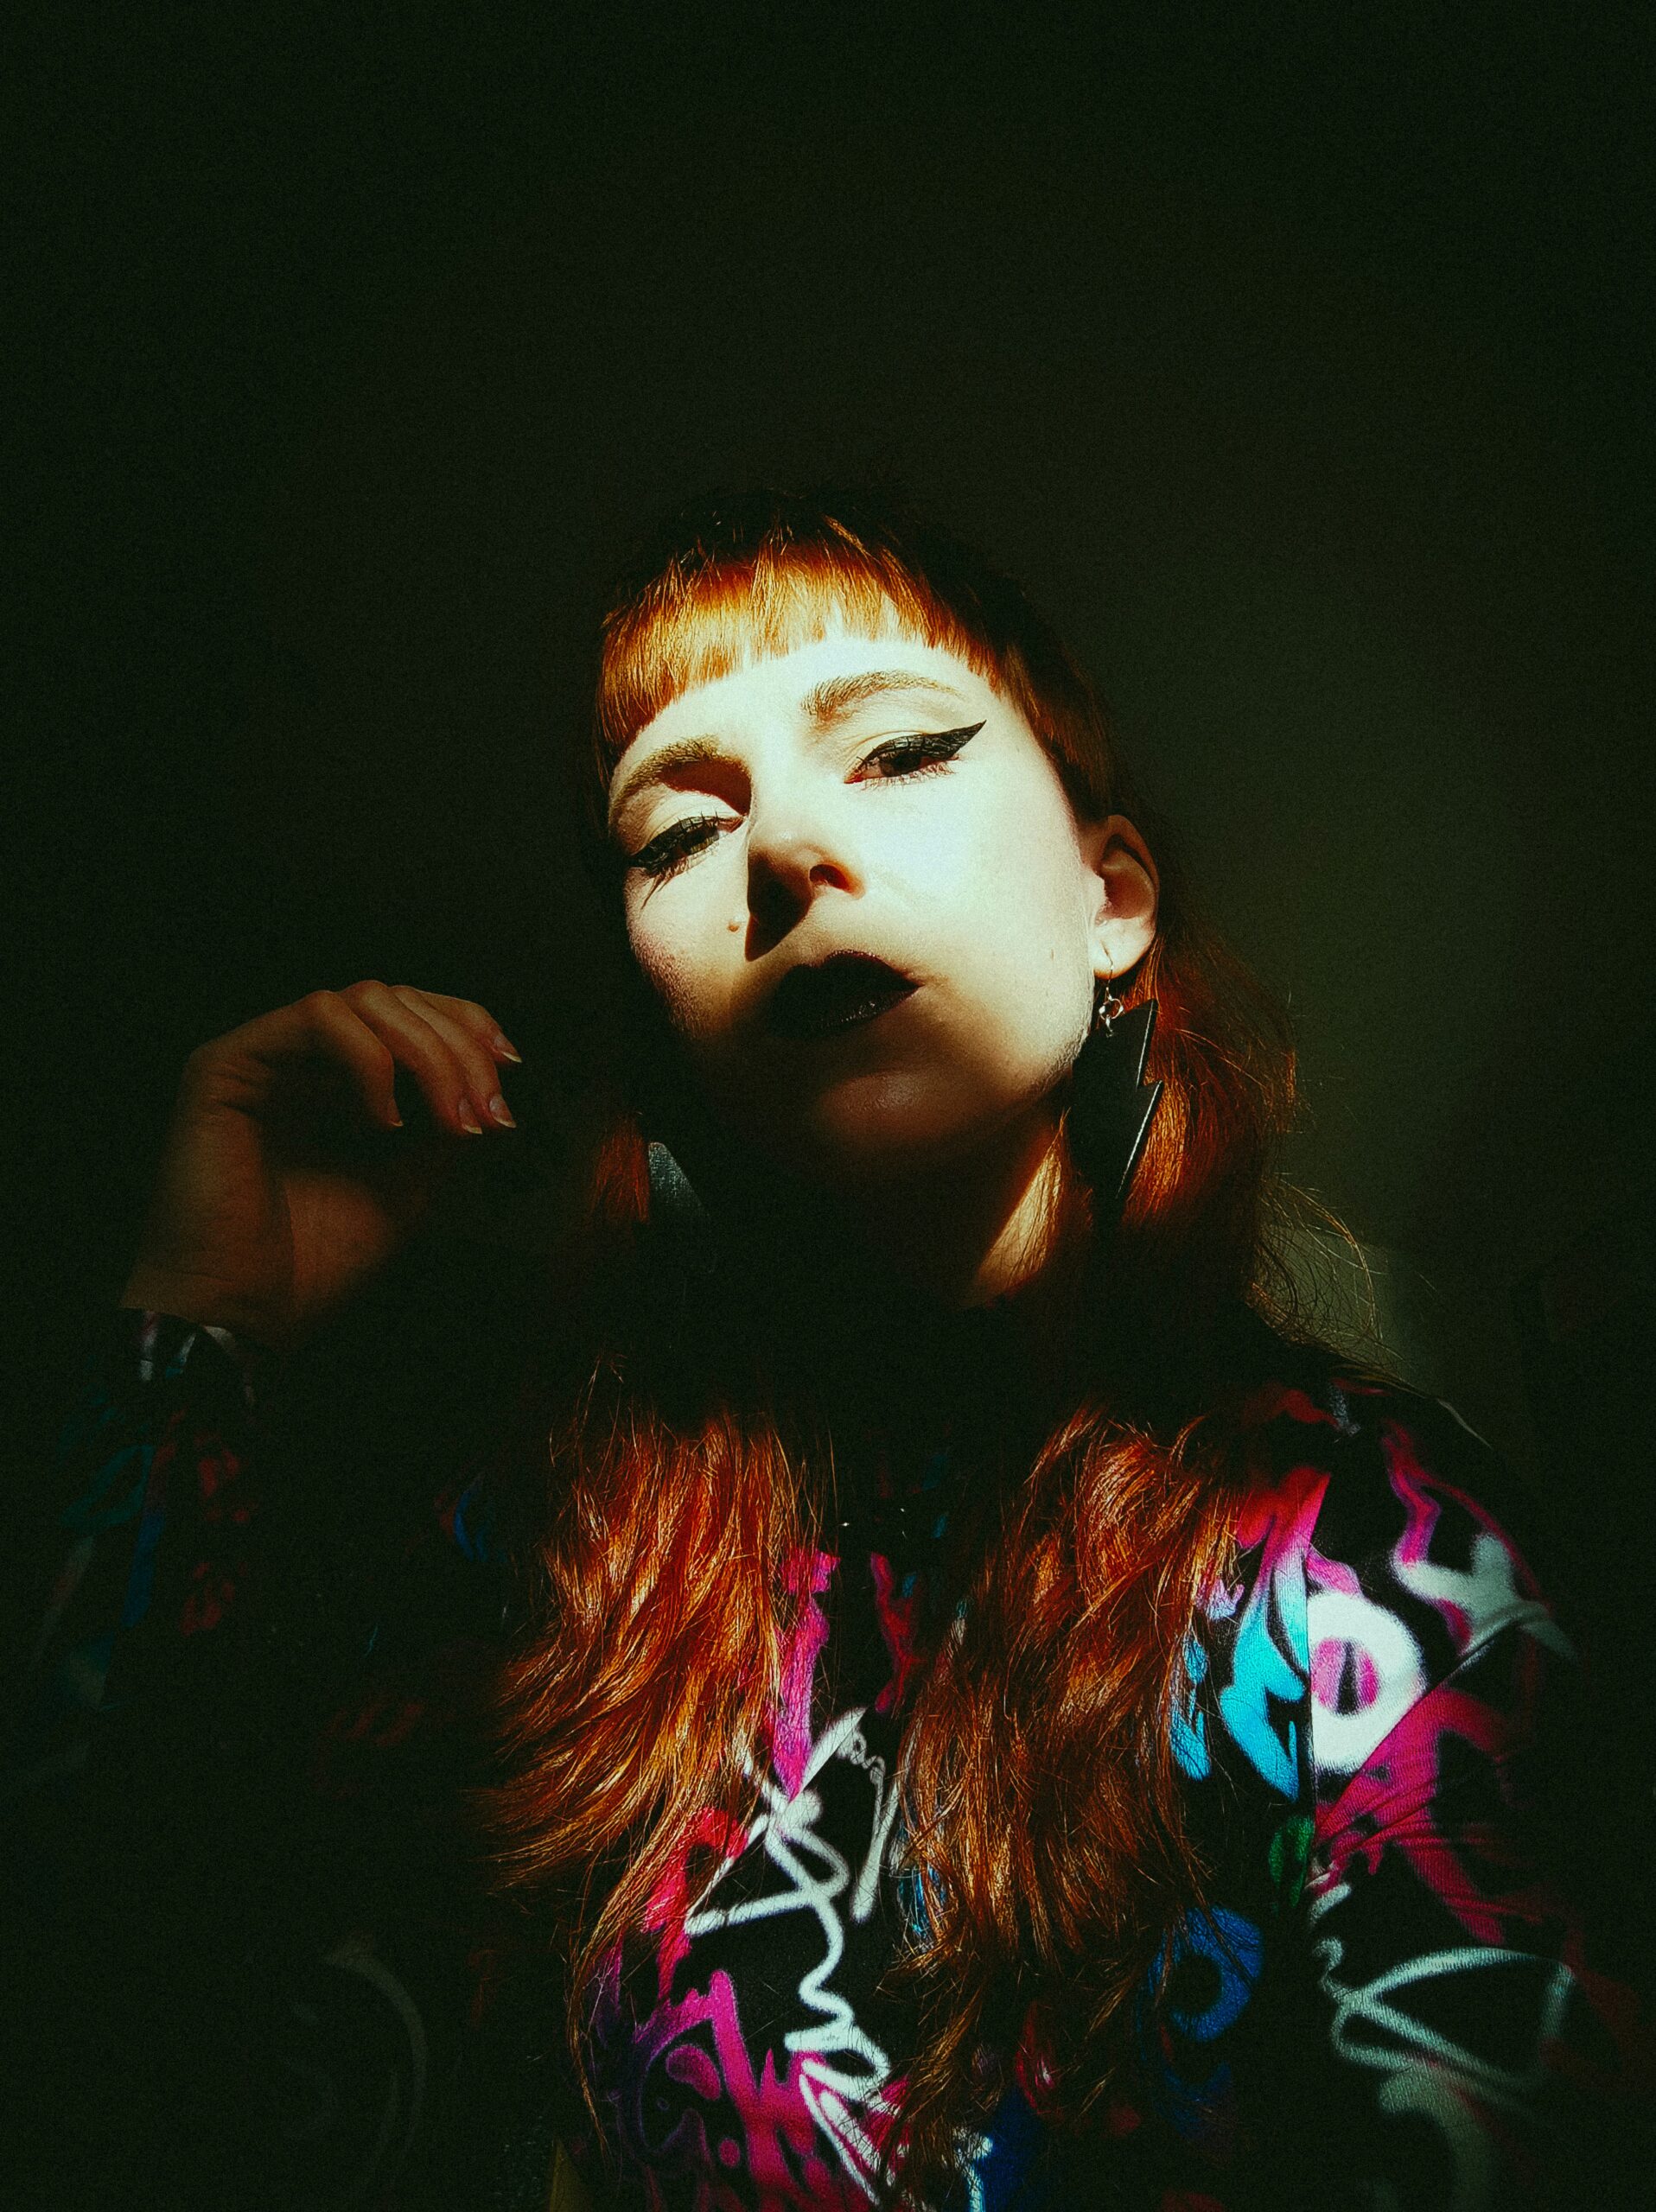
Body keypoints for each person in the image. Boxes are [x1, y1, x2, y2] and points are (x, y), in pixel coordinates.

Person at [5, 486, 1647, 2212]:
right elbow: (110, 2036)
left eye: (899, 751)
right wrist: (203, 1327)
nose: (782, 851)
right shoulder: (561, 1562)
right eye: (674, 835)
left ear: (1111, 899)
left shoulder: (1372, 1543)